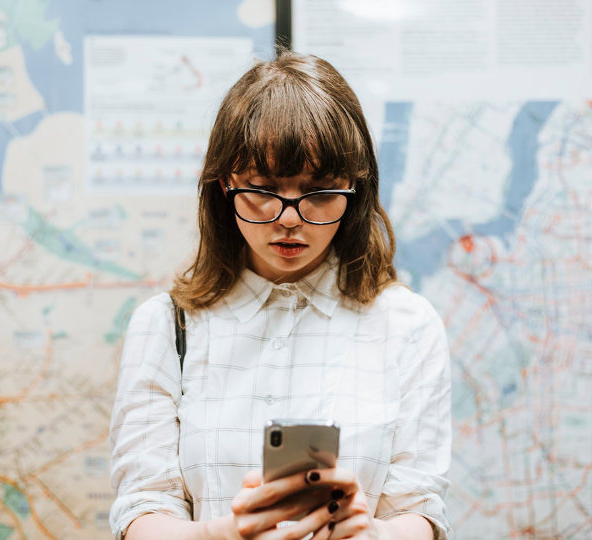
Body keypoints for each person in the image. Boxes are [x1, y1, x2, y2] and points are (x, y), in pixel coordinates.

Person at [109, 51, 452, 540]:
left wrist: (372, 533)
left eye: (319, 191)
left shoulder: (408, 325)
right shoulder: (167, 325)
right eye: (263, 189)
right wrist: (223, 533)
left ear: (356, 188)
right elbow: (142, 510)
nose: (289, 218)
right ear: (224, 185)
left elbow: (421, 510)